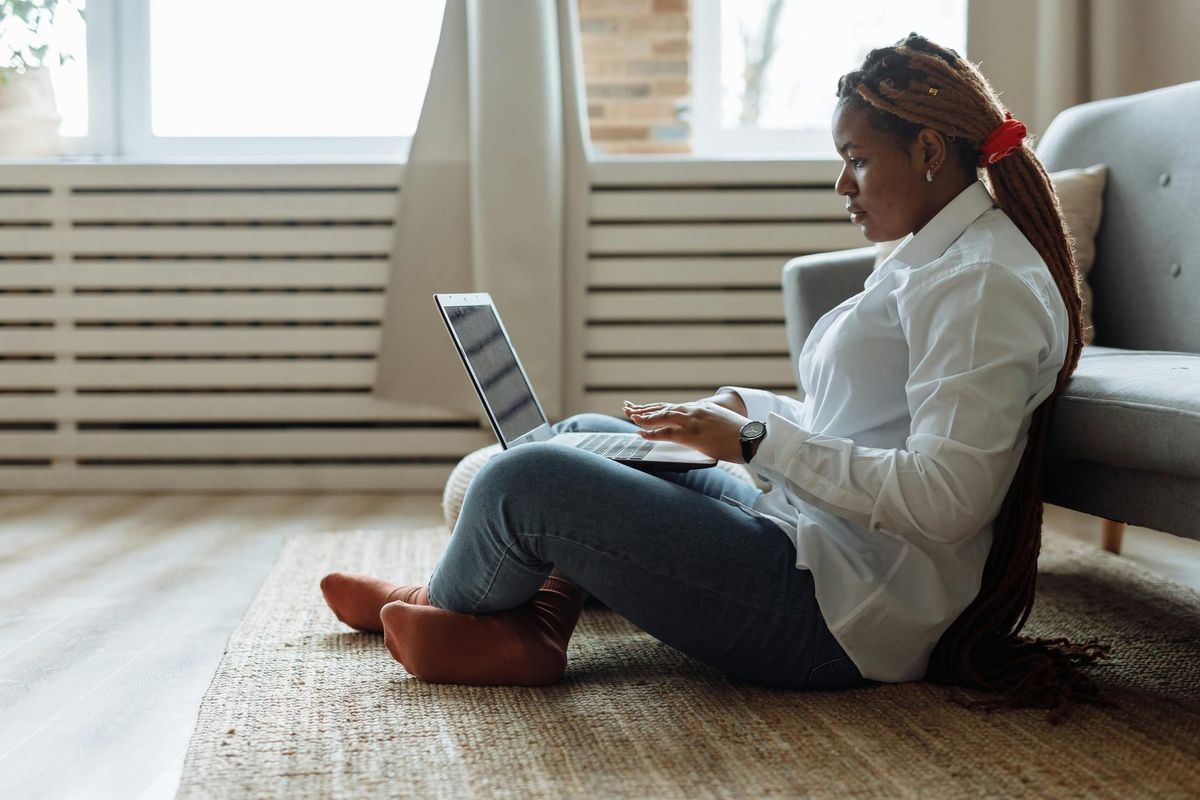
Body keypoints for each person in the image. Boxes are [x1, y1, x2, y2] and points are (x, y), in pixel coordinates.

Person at [320, 33, 1110, 721]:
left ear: (931, 151)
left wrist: (755, 441)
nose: (843, 185)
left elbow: (947, 499)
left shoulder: (980, 287)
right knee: (583, 436)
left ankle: (452, 605)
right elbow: (860, 420)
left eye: (858, 160)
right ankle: (522, 624)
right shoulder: (934, 257)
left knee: (524, 477)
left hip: (837, 617)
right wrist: (737, 409)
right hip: (808, 537)